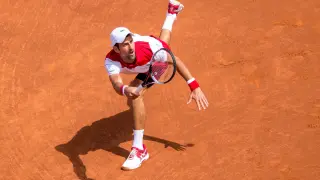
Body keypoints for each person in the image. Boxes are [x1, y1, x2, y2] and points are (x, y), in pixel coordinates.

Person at [104, 0, 209, 170]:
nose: (130, 47)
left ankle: (139, 149)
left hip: (157, 65)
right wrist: (125, 89)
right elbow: (116, 83)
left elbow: (173, 60)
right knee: (133, 92)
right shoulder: (110, 61)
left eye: (130, 41)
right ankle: (172, 13)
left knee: (137, 96)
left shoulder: (148, 47)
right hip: (154, 54)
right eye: (124, 44)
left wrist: (194, 86)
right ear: (116, 49)